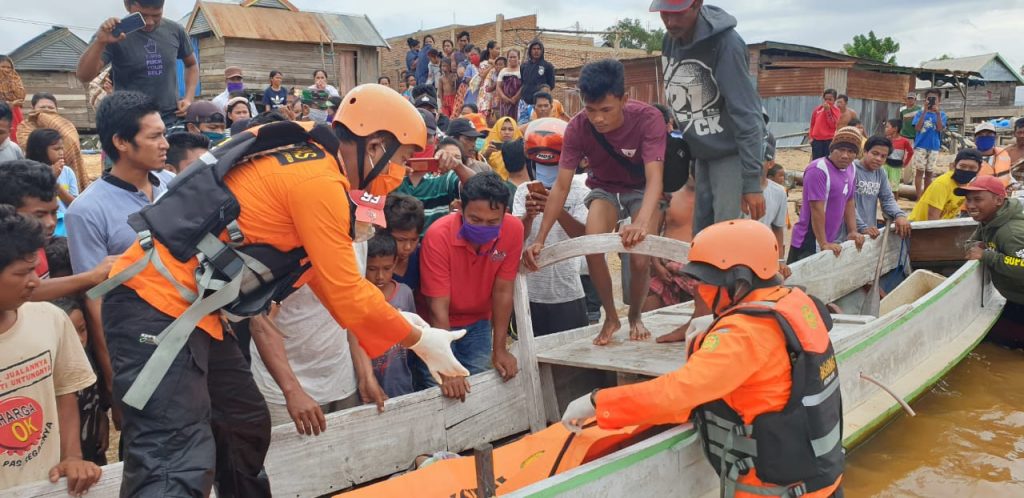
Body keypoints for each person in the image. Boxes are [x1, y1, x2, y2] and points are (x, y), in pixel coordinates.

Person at [96, 84, 469, 496]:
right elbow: (346, 291)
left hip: (193, 314)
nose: (399, 173)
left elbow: (329, 284)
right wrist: (418, 339)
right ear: (376, 147)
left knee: (243, 423)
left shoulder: (313, 161)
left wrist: (404, 327)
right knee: (173, 458)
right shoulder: (317, 178)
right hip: (154, 306)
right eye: (399, 160)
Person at [561, 219, 845, 498]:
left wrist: (598, 403)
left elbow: (677, 394)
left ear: (740, 281)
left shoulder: (743, 334)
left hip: (774, 491)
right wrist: (714, 322)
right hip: (822, 479)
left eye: (708, 282)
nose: (698, 289)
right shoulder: (795, 302)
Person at [524, 59, 666, 346]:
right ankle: (611, 317)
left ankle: (635, 315)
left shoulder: (648, 118)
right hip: (604, 188)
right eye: (591, 110)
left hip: (641, 188)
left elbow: (654, 179)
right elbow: (562, 185)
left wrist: (640, 222)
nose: (598, 118)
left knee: (640, 255)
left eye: (606, 110)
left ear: (624, 99)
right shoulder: (577, 127)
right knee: (592, 244)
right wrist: (539, 238)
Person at [0, 205, 103, 495]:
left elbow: (64, 391)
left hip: (45, 487)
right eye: (22, 272)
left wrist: (71, 456)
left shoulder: (49, 319)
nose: (34, 281)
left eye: (35, 268)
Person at [656, 0, 767, 234]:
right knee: (701, 236)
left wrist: (751, 182)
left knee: (724, 238)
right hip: (700, 156)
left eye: (678, 14)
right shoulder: (670, 40)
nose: (670, 22)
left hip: (730, 154)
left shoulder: (726, 44)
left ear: (697, 4)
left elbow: (747, 114)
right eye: (665, 14)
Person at [416, 172, 524, 399]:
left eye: (492, 222)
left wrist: (500, 348)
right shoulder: (438, 235)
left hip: (478, 323)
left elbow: (503, 291)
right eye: (475, 220)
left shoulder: (513, 230)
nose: (483, 227)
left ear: (505, 214)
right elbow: (438, 307)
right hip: (435, 327)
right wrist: (446, 365)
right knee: (439, 390)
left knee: (479, 389)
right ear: (459, 209)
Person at [515, 118, 590, 336]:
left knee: (572, 358)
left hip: (568, 291)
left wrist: (554, 207)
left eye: (552, 165)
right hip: (531, 292)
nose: (546, 171)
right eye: (541, 165)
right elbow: (517, 237)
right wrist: (528, 217)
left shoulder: (580, 191)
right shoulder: (523, 191)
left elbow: (583, 236)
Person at [76, 0, 198, 126]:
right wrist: (100, 42)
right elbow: (84, 76)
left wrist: (188, 99)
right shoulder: (112, 34)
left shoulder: (175, 30)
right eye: (142, 15)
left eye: (156, 15)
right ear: (127, 6)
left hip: (171, 119)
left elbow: (191, 64)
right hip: (131, 122)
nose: (150, 22)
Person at [960, 176, 1024, 347]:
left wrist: (988, 256)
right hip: (1013, 296)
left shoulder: (1011, 232)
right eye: (968, 200)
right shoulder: (989, 220)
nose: (971, 205)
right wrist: (975, 248)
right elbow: (970, 244)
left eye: (978, 199)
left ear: (998, 200)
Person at [788, 127, 866, 264]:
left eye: (851, 151)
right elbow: (816, 209)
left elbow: (849, 200)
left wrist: (852, 230)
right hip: (810, 239)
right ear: (832, 149)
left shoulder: (851, 168)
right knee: (798, 282)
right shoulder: (818, 170)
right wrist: (823, 243)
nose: (845, 155)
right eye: (841, 150)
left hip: (831, 237)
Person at [397, 114, 476, 233]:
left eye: (426, 136)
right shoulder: (389, 176)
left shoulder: (443, 179)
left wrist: (457, 165)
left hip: (434, 248)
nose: (420, 143)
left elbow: (477, 187)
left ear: (434, 139)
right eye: (415, 135)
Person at [365, 232, 416, 397]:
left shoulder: (405, 293)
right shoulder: (358, 299)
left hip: (399, 380)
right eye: (372, 269)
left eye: (387, 268)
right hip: (367, 380)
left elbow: (414, 334)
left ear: (395, 263)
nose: (380, 276)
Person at [848, 136, 911, 240]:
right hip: (849, 232)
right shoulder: (851, 169)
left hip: (869, 232)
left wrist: (899, 215)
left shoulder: (880, 172)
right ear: (865, 151)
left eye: (883, 156)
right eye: (875, 153)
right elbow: (845, 204)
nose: (878, 159)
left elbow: (887, 199)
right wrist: (862, 227)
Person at [25, 128, 77, 237]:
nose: (61, 152)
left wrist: (53, 181)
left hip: (65, 227)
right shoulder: (28, 171)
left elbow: (75, 204)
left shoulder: (67, 172)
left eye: (62, 148)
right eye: (56, 149)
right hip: (40, 227)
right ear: (41, 150)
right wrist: (49, 176)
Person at [909, 148, 984, 222]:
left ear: (979, 169)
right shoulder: (942, 185)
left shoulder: (969, 184)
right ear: (954, 165)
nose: (966, 170)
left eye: (972, 168)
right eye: (963, 166)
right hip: (919, 227)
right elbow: (932, 219)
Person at [384, 193, 426, 299]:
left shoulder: (422, 257)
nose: (408, 247)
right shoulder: (372, 261)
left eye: (414, 240)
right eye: (400, 240)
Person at [757, 151, 791, 278]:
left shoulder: (779, 192)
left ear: (770, 163)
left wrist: (780, 260)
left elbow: (778, 228)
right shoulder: (731, 189)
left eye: (759, 159)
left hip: (763, 255)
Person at [912, 88, 948, 199]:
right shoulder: (919, 113)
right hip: (921, 146)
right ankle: (919, 197)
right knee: (919, 172)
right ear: (925, 100)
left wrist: (937, 114)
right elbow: (917, 128)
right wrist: (924, 112)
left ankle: (925, 197)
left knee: (929, 173)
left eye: (934, 99)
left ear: (939, 101)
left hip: (934, 147)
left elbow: (939, 128)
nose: (932, 101)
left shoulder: (942, 115)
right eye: (929, 99)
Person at [520, 39, 555, 121]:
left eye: (538, 49)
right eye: (534, 49)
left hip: (539, 105)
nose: (536, 51)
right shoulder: (524, 66)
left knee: (538, 126)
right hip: (524, 103)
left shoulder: (548, 66)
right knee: (523, 127)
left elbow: (551, 85)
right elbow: (523, 83)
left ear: (542, 51)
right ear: (530, 51)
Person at [976, 121, 1014, 188]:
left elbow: (1008, 176)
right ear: (975, 138)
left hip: (1003, 194)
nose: (985, 137)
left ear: (995, 137)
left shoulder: (1003, 153)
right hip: (982, 195)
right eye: (981, 135)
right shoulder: (969, 158)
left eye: (989, 134)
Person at [883, 118, 913, 195]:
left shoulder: (904, 141)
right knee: (883, 186)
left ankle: (894, 205)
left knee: (894, 188)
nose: (885, 129)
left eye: (887, 127)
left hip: (896, 167)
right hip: (885, 165)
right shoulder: (886, 140)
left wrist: (905, 163)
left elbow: (911, 152)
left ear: (895, 129)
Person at [809, 89, 841, 160]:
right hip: (817, 140)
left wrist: (828, 111)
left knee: (827, 161)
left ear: (834, 100)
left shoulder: (836, 111)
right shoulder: (817, 109)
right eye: (825, 99)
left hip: (828, 140)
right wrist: (811, 137)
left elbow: (832, 125)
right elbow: (812, 124)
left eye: (830, 99)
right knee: (816, 161)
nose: (827, 101)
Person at [0, 54, 25, 143]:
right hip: (2, 114)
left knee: (16, 138)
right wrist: (10, 104)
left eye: (9, 67)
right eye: (3, 67)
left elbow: (21, 97)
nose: (6, 70)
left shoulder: (15, 80)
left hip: (15, 114)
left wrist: (14, 104)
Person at [496, 49, 523, 120]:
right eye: (510, 57)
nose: (512, 59)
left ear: (518, 58)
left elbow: (524, 85)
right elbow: (498, 86)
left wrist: (515, 98)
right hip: (505, 102)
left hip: (518, 102)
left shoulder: (522, 70)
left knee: (517, 120)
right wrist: (504, 97)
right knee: (505, 120)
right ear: (507, 58)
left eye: (514, 57)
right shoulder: (503, 71)